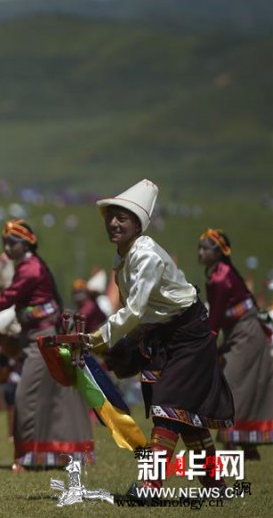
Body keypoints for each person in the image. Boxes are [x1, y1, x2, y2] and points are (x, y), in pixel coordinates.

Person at [89, 180, 234, 494]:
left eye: (122, 218)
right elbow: (141, 313)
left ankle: (150, 484)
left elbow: (136, 309)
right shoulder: (122, 258)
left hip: (189, 336)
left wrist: (98, 339)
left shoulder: (147, 255)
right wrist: (121, 346)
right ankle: (216, 485)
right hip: (162, 336)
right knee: (184, 415)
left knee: (167, 405)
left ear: (138, 225)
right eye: (110, 216)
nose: (113, 223)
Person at [0, 219, 93, 471]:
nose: (7, 248)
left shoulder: (30, 269)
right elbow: (10, 308)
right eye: (4, 243)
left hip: (42, 340)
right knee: (47, 397)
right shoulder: (26, 267)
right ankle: (52, 455)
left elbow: (6, 300)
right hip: (33, 338)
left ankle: (29, 457)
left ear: (26, 244)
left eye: (11, 243)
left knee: (25, 396)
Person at [198, 228, 272, 460]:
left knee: (232, 381)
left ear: (219, 253)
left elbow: (216, 316)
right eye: (199, 248)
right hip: (240, 332)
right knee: (241, 383)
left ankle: (235, 440)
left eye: (206, 249)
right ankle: (246, 445)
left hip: (247, 331)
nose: (200, 252)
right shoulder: (216, 273)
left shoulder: (221, 276)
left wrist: (207, 341)